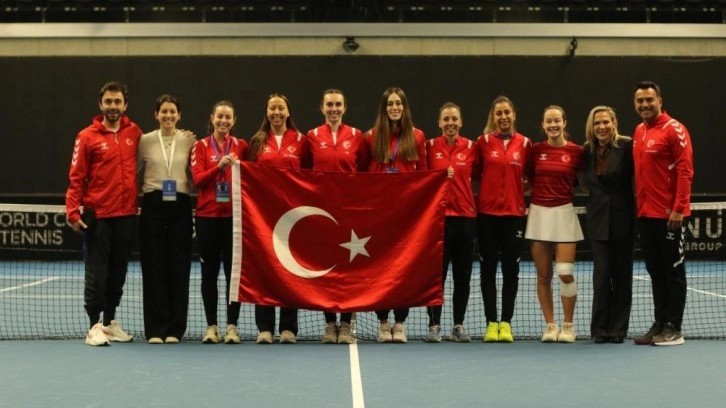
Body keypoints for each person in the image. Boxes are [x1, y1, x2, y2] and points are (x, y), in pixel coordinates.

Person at [66, 81, 141, 346]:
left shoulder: (134, 132)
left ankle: (109, 323)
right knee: (97, 276)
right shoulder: (86, 136)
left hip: (126, 216)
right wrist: (72, 211)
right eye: (108, 101)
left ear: (125, 105)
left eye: (117, 101)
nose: (113, 106)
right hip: (98, 218)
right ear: (101, 104)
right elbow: (76, 178)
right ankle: (93, 327)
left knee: (117, 275)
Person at [632, 81, 693, 346]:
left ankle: (673, 327)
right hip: (645, 215)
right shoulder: (639, 131)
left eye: (649, 100)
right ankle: (659, 323)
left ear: (659, 101)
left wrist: (678, 209)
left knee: (673, 272)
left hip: (670, 217)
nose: (645, 104)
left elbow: (685, 171)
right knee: (655, 272)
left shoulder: (675, 130)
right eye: (640, 101)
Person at [365, 87, 427, 343]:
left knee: (404, 268)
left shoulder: (417, 136)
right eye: (390, 104)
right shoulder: (371, 137)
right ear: (384, 108)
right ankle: (382, 323)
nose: (394, 108)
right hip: (379, 213)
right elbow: (362, 174)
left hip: (407, 215)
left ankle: (400, 323)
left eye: (398, 103)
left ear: (404, 107)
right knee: (379, 268)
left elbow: (424, 174)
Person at [248, 93, 311, 345]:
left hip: (292, 217)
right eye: (272, 108)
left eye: (281, 108)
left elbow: (309, 175)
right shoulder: (256, 141)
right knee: (264, 270)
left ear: (288, 112)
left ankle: (288, 328)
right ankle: (265, 328)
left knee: (289, 270)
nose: (276, 112)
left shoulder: (301, 141)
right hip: (263, 217)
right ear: (267, 112)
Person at [306, 89, 368, 344]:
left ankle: (347, 324)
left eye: (338, 104)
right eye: (329, 104)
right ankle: (330, 324)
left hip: (349, 212)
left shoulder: (356, 135)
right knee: (326, 269)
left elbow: (364, 169)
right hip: (323, 213)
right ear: (322, 108)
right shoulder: (311, 136)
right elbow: (304, 171)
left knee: (348, 270)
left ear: (345, 108)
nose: (334, 108)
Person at [138, 95, 195, 344]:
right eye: (164, 111)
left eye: (172, 111)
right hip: (153, 203)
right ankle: (155, 329)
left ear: (179, 115)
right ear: (156, 115)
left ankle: (175, 329)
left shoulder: (190, 140)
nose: (168, 116)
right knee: (154, 267)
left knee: (179, 267)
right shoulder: (145, 141)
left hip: (181, 205)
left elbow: (197, 172)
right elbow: (130, 170)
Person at [525, 105, 584, 343]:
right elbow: (528, 180)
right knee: (543, 276)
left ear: (564, 122)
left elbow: (583, 180)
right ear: (543, 125)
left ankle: (568, 326)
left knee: (565, 273)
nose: (553, 125)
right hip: (539, 215)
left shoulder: (577, 152)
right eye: (548, 121)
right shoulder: (535, 150)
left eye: (556, 121)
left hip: (564, 214)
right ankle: (550, 326)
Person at [191, 100, 248, 344]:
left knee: (233, 275)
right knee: (209, 273)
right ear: (212, 118)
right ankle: (211, 327)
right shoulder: (201, 146)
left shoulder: (242, 146)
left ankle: (232, 327)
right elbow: (197, 180)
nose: (223, 121)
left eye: (228, 117)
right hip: (207, 218)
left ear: (234, 121)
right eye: (220, 117)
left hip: (234, 219)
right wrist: (219, 166)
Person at [476, 96, 532, 343]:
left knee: (511, 271)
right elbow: (474, 173)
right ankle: (491, 323)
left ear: (514, 114)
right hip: (487, 216)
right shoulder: (483, 143)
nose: (503, 117)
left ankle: (506, 323)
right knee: (487, 270)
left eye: (507, 112)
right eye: (498, 113)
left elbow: (531, 177)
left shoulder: (526, 144)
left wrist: (516, 194)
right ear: (493, 116)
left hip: (514, 217)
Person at [424, 102, 477, 343]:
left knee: (462, 276)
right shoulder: (429, 147)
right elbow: (421, 179)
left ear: (461, 122)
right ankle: (434, 325)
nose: (450, 123)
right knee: (437, 277)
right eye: (446, 119)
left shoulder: (472, 148)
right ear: (439, 123)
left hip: (465, 219)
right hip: (438, 220)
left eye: (454, 119)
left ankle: (458, 325)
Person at [582, 106, 635, 344]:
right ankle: (600, 328)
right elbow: (582, 180)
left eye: (606, 122)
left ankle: (618, 329)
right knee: (602, 276)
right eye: (597, 123)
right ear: (591, 127)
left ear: (614, 123)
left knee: (621, 276)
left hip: (623, 219)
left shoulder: (627, 146)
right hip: (597, 220)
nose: (601, 127)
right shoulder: (585, 151)